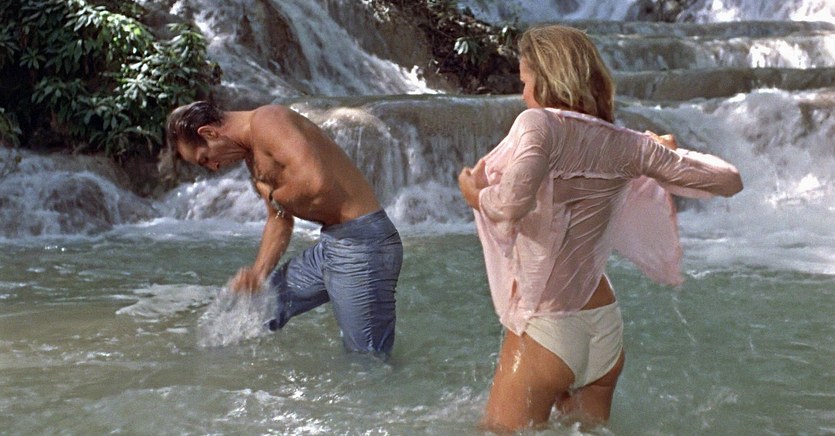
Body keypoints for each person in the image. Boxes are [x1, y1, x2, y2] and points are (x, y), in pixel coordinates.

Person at [458, 24, 743, 431]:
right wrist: (669, 152)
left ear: (547, 79)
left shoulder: (538, 124)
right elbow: (729, 179)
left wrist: (473, 194)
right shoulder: (630, 144)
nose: (523, 94)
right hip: (604, 330)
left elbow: (510, 204)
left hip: (548, 326)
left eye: (525, 82)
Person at [165, 101, 403, 356]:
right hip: (331, 246)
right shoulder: (252, 157)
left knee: (367, 360)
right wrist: (258, 274)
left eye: (206, 159)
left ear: (209, 133)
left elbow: (316, 182)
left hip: (364, 245)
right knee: (258, 310)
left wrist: (273, 195)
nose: (214, 167)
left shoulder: (268, 120)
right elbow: (279, 219)